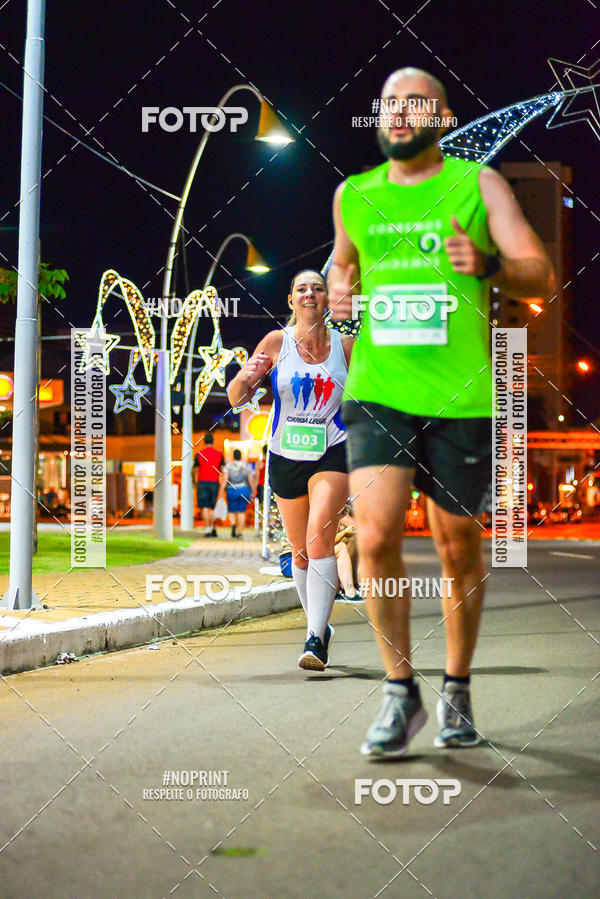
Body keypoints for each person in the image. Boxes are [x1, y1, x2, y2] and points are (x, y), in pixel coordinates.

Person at [328, 67, 555, 757]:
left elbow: (538, 271)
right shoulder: (353, 195)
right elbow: (344, 265)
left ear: (444, 116)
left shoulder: (477, 185)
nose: (399, 112)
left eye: (415, 102)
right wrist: (342, 296)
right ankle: (401, 691)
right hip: (380, 389)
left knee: (458, 546)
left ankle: (456, 686)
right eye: (390, 103)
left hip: (462, 395)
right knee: (374, 538)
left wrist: (487, 262)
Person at [228, 270, 354, 671]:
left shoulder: (347, 346)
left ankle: (315, 639)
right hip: (285, 454)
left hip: (332, 450)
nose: (310, 294)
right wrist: (246, 378)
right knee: (299, 553)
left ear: (326, 299)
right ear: (290, 300)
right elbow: (236, 396)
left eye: (317, 288)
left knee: (320, 538)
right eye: (301, 289)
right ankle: (320, 627)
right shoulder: (275, 343)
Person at [192, 433, 224, 537]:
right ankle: (213, 527)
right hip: (214, 483)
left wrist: (195, 481)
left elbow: (195, 469)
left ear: (204, 441)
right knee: (212, 507)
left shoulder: (199, 454)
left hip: (202, 482)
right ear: (213, 441)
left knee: (205, 507)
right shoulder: (219, 454)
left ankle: (207, 529)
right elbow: (223, 470)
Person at [220, 449, 255, 539]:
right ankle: (240, 532)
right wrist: (253, 491)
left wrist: (221, 491)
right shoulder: (246, 466)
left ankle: (233, 525)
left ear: (233, 456)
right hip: (244, 489)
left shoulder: (229, 466)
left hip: (232, 490)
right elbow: (251, 480)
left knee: (231, 511)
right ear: (240, 456)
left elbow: (225, 479)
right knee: (241, 512)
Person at [334, 505, 360, 601]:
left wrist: (350, 510)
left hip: (318, 549)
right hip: (291, 561)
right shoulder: (324, 509)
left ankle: (353, 582)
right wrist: (344, 532)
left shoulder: (336, 508)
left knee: (356, 538)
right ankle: (350, 592)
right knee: (340, 547)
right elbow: (325, 543)